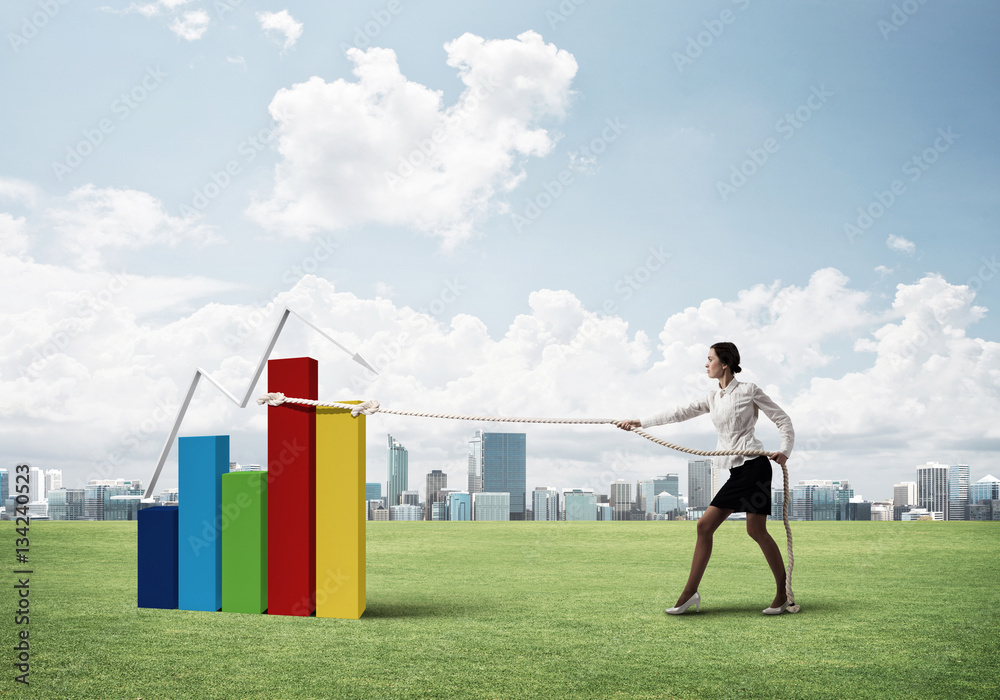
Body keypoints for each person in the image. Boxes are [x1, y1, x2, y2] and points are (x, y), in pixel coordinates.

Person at [616, 341, 794, 616]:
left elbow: (783, 420)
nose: (706, 364)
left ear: (724, 363)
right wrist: (640, 422)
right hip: (737, 471)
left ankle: (783, 595)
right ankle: (690, 594)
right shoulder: (713, 398)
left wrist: (784, 451)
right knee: (704, 526)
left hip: (756, 466)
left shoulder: (749, 390)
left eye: (709, 359)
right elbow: (679, 412)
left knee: (755, 531)